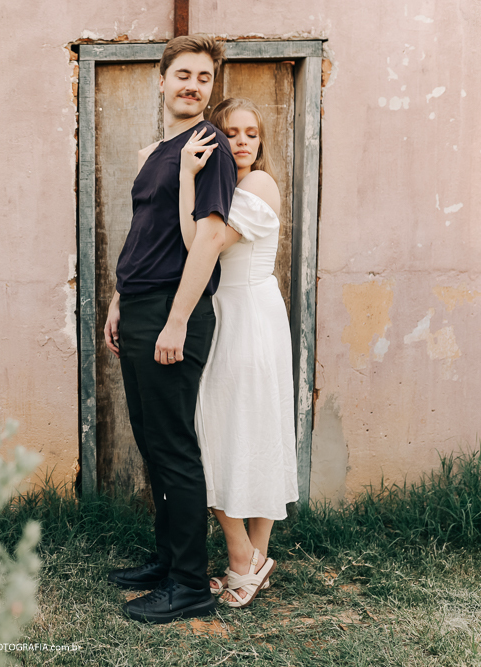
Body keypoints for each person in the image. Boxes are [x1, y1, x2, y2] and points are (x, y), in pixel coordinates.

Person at [103, 34, 237, 624]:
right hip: (142, 304)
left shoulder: (210, 146)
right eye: (183, 74)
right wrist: (119, 299)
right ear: (161, 80)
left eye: (204, 77)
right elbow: (146, 231)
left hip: (172, 310)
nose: (193, 85)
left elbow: (207, 241)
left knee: (174, 447)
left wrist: (177, 319)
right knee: (154, 443)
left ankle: (189, 586)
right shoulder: (161, 150)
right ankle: (168, 561)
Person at [176, 98, 299, 609]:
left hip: (252, 315)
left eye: (251, 132)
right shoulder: (223, 188)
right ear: (217, 139)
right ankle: (250, 561)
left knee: (246, 428)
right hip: (227, 312)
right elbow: (195, 242)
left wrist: (187, 181)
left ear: (261, 140)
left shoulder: (259, 184)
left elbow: (202, 245)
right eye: (231, 132)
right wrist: (189, 177)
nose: (243, 141)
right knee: (224, 429)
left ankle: (245, 557)